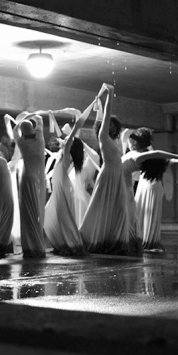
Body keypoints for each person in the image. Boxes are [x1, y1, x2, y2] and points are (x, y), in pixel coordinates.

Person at [79, 84, 135, 255]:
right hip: (108, 175)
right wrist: (109, 94)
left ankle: (116, 240)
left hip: (117, 177)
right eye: (107, 124)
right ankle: (98, 239)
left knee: (119, 209)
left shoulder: (115, 141)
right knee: (102, 208)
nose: (109, 126)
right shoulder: (102, 137)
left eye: (112, 125)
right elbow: (105, 117)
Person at [43, 101, 97, 256]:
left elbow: (77, 126)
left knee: (61, 213)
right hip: (60, 183)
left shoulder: (67, 152)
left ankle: (70, 242)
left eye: (68, 140)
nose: (64, 139)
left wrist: (91, 104)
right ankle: (63, 241)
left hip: (62, 184)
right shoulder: (66, 150)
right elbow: (63, 135)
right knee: (54, 213)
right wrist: (53, 115)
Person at [125, 127, 178, 252]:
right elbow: (163, 157)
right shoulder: (142, 155)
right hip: (148, 185)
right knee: (142, 213)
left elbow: (161, 156)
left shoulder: (142, 155)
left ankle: (145, 240)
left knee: (142, 213)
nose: (130, 143)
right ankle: (146, 240)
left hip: (149, 185)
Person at [15, 113, 48, 258]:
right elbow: (40, 119)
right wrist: (30, 115)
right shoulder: (40, 139)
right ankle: (37, 243)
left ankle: (29, 245)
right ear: (33, 129)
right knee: (37, 211)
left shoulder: (21, 142)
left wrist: (20, 122)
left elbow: (15, 130)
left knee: (27, 212)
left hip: (26, 178)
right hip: (39, 179)